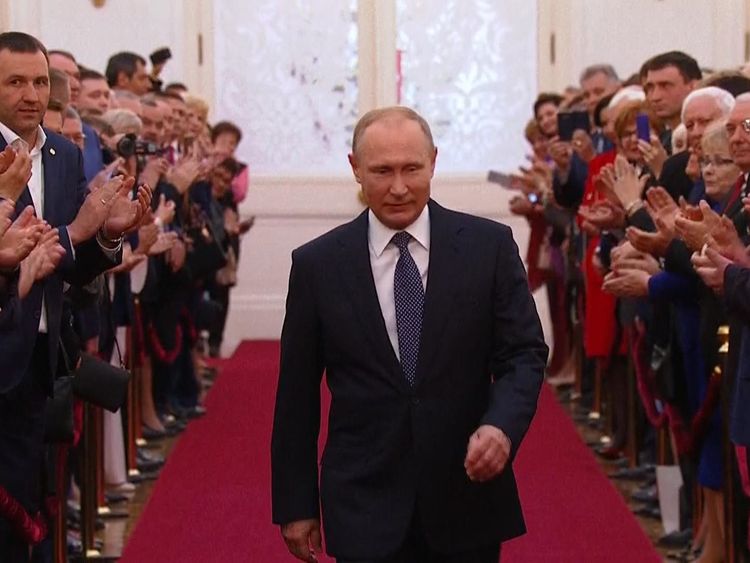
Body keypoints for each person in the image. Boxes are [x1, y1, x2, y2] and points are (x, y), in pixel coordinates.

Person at [271, 106, 548, 562]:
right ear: (355, 169)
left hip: (465, 494)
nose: (398, 187)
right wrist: (296, 504)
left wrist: (502, 426)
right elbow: (296, 396)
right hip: (362, 498)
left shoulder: (488, 247)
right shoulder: (318, 265)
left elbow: (523, 353)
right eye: (381, 171)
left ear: (434, 162)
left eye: (411, 169)